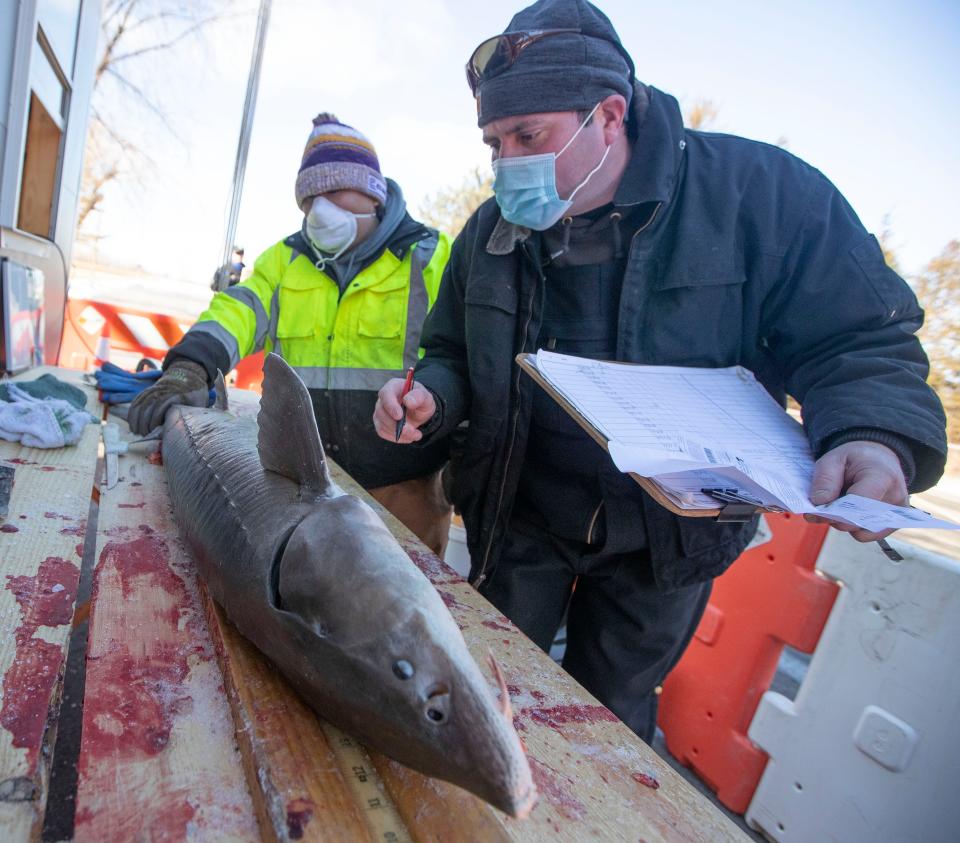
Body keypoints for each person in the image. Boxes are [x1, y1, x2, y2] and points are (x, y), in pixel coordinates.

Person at [373, 0, 948, 743]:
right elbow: (449, 350)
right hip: (522, 513)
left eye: (528, 135)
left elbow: (859, 337)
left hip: (666, 540)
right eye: (494, 142)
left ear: (608, 115)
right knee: (489, 684)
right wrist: (433, 399)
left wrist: (875, 433)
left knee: (611, 713)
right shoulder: (491, 230)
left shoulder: (763, 197)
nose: (507, 161)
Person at [131, 114, 454, 555]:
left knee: (410, 609)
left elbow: (459, 356)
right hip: (301, 485)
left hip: (403, 486)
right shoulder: (285, 259)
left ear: (371, 194)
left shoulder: (431, 258)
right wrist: (192, 365)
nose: (321, 209)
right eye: (310, 198)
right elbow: (239, 310)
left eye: (334, 192)